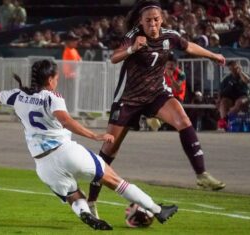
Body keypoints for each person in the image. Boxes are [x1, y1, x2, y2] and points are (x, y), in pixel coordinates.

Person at [0, 60, 178, 230]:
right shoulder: (52, 96)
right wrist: (94, 135)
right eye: (56, 77)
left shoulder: (18, 96)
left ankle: (84, 213)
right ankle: (158, 210)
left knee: (74, 195)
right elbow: (66, 120)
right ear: (51, 79)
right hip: (67, 152)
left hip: (43, 165)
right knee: (115, 181)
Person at [88, 0, 226, 218]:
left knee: (183, 119)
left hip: (156, 94)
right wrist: (132, 48)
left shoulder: (169, 36)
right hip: (128, 98)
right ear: (141, 22)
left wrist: (213, 55)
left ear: (162, 20)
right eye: (148, 21)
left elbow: (188, 46)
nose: (152, 24)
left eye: (155, 20)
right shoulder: (133, 35)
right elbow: (114, 57)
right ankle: (92, 201)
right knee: (109, 151)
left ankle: (202, 175)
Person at [217, 61, 250, 130]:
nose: (234, 69)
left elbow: (247, 80)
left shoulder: (243, 75)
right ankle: (225, 123)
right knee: (223, 102)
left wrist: (240, 72)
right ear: (229, 69)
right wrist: (219, 100)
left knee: (239, 102)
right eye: (232, 68)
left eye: (235, 67)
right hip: (231, 98)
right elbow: (221, 91)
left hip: (244, 97)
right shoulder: (227, 78)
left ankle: (225, 119)